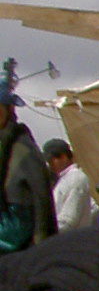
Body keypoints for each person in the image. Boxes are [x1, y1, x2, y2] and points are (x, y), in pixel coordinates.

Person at [0, 82, 58, 255]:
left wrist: (42, 242)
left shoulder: (22, 147)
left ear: (9, 110)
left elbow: (41, 197)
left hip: (16, 223)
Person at [46, 142, 99, 233]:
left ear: (64, 157)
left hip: (76, 240)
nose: (50, 164)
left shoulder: (76, 178)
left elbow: (69, 221)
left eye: (52, 160)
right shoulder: (63, 181)